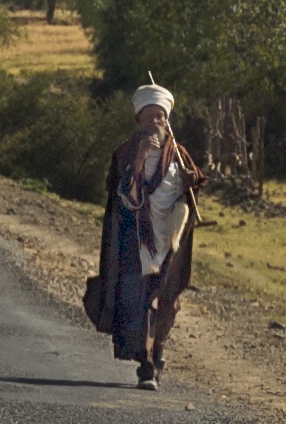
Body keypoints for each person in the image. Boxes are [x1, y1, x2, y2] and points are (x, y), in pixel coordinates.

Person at [85, 82, 206, 391]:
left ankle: (158, 351)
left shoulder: (178, 153)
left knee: (167, 302)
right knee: (141, 303)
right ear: (138, 119)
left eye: (160, 117)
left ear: (167, 120)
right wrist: (139, 159)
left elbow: (194, 186)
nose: (155, 122)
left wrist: (192, 182)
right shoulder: (125, 152)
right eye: (150, 116)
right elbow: (121, 194)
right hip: (135, 241)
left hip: (170, 241)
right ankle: (146, 366)